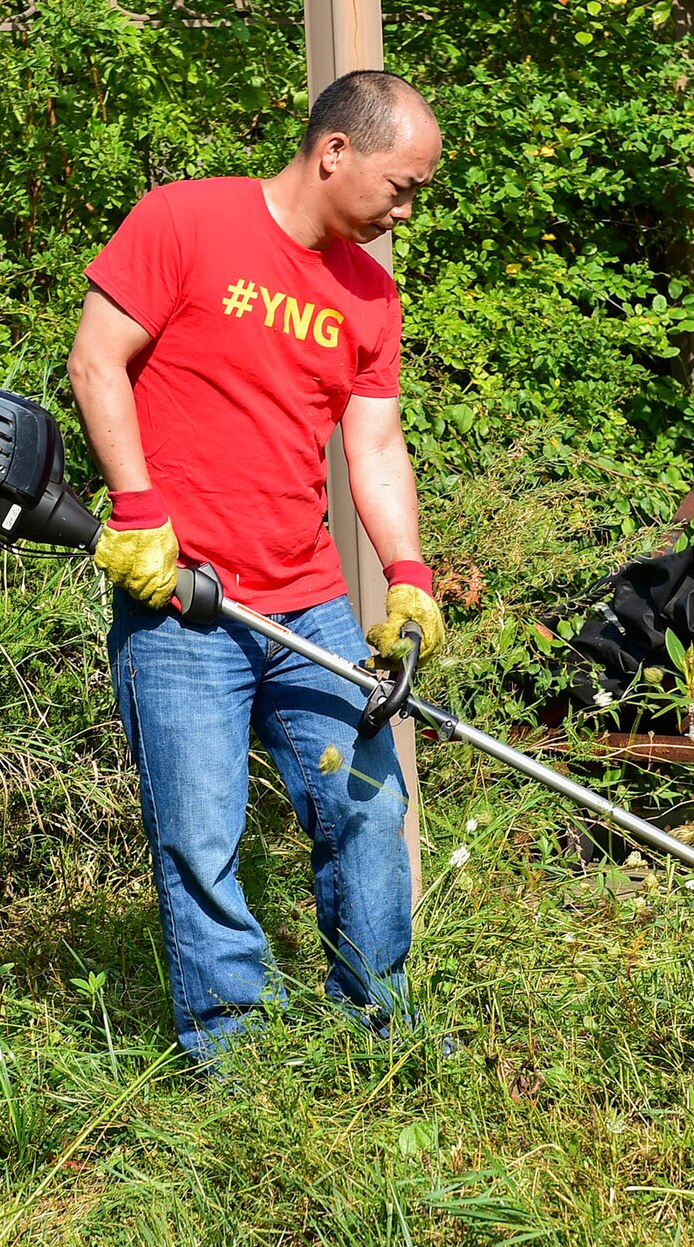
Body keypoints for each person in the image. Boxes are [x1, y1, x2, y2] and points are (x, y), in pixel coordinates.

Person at [66, 70, 447, 1066]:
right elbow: (95, 358)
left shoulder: (370, 294)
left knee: (364, 807)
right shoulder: (184, 222)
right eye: (399, 187)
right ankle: (228, 1061)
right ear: (333, 154)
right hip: (178, 600)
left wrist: (405, 572)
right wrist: (139, 513)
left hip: (307, 599)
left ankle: (375, 1031)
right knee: (198, 841)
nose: (405, 209)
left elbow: (372, 446)